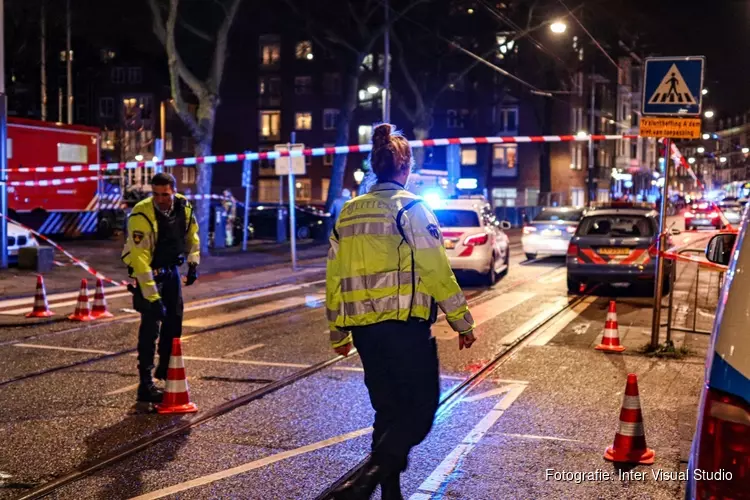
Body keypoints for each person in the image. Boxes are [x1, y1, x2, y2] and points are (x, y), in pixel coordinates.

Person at [326, 123, 476, 499]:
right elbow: (437, 270)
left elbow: (333, 276)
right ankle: (366, 479)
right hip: (404, 330)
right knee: (420, 411)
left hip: (365, 332)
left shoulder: (348, 213)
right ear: (405, 167)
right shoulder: (411, 208)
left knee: (387, 411)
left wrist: (337, 331)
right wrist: (462, 321)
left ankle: (388, 494)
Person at [121, 173, 200, 405]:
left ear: (173, 191)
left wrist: (193, 263)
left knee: (174, 321)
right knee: (150, 327)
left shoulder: (184, 206)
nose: (160, 199)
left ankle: (165, 368)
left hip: (171, 270)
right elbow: (140, 260)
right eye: (155, 194)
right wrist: (152, 297)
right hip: (149, 273)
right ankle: (145, 384)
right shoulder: (141, 214)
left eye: (165, 194)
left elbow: (191, 236)